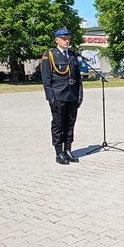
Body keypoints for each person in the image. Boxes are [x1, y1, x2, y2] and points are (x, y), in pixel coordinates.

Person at [41, 28, 83, 165]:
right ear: (56, 40)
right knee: (58, 124)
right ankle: (59, 152)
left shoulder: (72, 55)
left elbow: (78, 78)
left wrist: (80, 94)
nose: (66, 41)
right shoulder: (50, 55)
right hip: (58, 95)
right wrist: (50, 97)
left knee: (70, 124)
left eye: (68, 38)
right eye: (63, 38)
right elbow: (46, 79)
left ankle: (68, 150)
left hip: (72, 95)